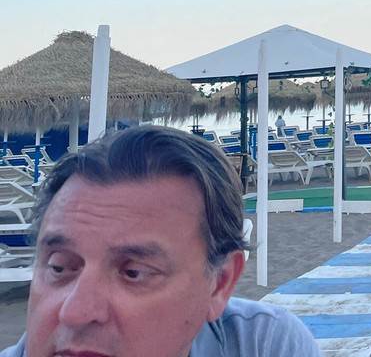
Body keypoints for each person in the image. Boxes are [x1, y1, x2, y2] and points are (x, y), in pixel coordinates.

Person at [0, 125, 322, 357]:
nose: (75, 312)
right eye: (58, 267)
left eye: (134, 272)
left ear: (219, 284)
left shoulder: (262, 344)